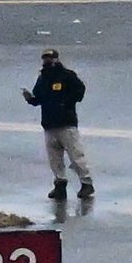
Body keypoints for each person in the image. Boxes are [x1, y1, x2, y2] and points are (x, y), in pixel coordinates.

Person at [22, 48, 94, 201]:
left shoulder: (67, 75)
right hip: (49, 125)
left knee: (76, 155)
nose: (48, 61)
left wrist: (66, 103)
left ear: (57, 59)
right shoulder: (43, 78)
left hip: (67, 124)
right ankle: (60, 185)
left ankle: (86, 183)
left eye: (50, 58)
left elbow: (80, 90)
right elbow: (38, 98)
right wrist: (30, 98)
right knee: (55, 159)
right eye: (45, 58)